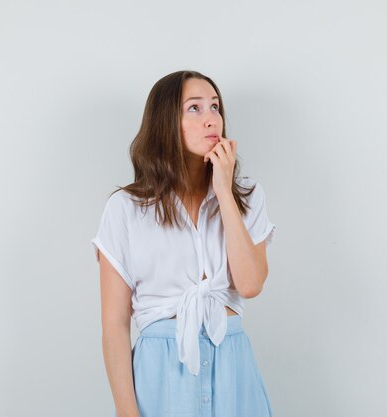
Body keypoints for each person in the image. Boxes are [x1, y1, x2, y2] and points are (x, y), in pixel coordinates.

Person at [90, 70, 276, 417]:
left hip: (233, 372)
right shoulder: (126, 209)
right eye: (194, 108)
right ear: (166, 123)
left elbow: (250, 284)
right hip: (159, 375)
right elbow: (114, 325)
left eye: (215, 107)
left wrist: (224, 192)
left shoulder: (247, 196)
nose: (211, 119)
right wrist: (126, 413)